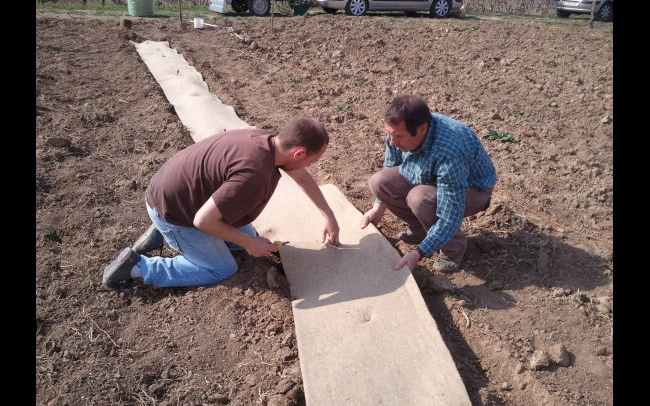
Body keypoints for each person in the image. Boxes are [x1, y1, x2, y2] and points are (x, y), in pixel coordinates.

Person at [102, 117, 340, 291]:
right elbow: (203, 221)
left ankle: (166, 234)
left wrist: (328, 215)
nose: (310, 166)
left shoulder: (266, 140)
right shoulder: (253, 176)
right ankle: (138, 267)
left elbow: (300, 176)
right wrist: (249, 243)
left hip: (171, 195)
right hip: (176, 214)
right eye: (312, 160)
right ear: (298, 153)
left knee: (244, 238)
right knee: (222, 268)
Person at [360, 95, 496, 273]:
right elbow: (390, 166)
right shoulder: (398, 129)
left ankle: (453, 249)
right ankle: (420, 230)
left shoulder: (449, 150)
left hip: (471, 189)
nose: (392, 142)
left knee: (419, 198)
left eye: (399, 137)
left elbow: (451, 212)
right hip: (428, 176)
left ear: (422, 129)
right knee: (380, 181)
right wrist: (378, 207)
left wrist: (419, 253)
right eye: (390, 135)